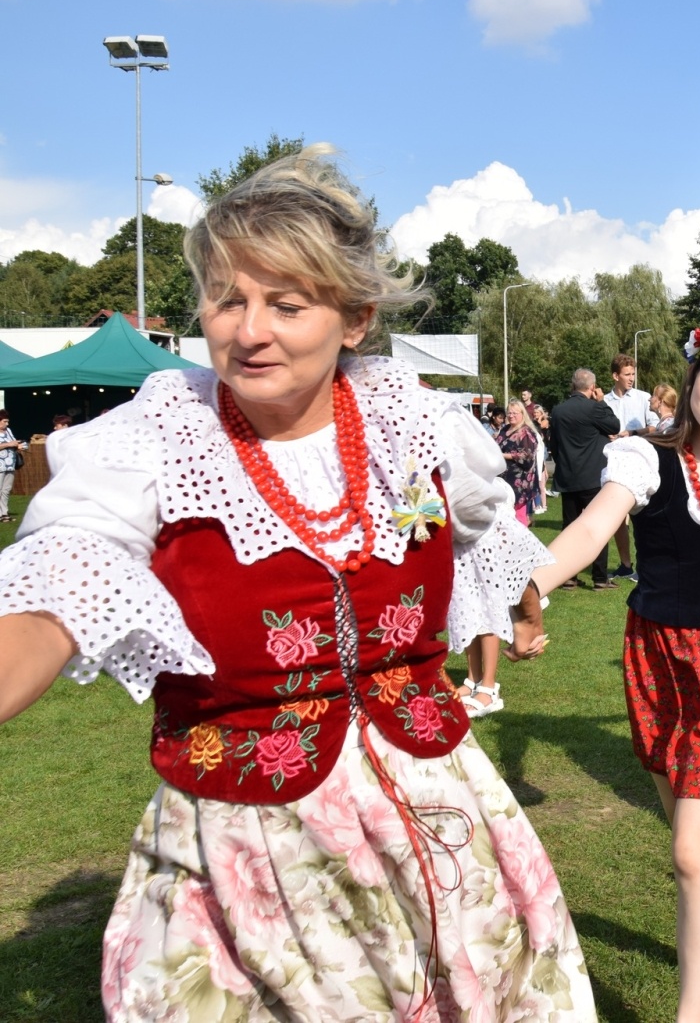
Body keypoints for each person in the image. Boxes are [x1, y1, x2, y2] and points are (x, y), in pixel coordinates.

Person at [0, 145, 594, 1020]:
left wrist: (528, 601)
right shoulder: (156, 439)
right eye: (226, 299)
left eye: (287, 303)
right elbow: (58, 585)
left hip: (438, 811)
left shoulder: (418, 423)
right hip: (249, 839)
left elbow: (482, 527)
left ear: (354, 318)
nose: (248, 330)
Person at [529, 321, 700, 1023]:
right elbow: (589, 531)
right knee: (691, 836)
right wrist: (532, 590)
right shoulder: (644, 459)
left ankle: (690, 1015)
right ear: (691, 378)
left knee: (688, 851)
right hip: (659, 659)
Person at [549, 368, 622, 589]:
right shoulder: (594, 408)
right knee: (597, 527)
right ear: (592, 388)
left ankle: (568, 576)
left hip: (568, 477)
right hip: (591, 477)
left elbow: (554, 445)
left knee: (569, 528)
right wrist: (601, 402)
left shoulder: (558, 410)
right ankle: (599, 578)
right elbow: (614, 425)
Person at [603, 353, 659, 581]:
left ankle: (647, 565)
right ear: (615, 376)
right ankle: (626, 564)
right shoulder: (604, 402)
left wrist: (633, 432)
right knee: (618, 517)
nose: (631, 378)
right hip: (615, 462)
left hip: (641, 463)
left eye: (633, 374)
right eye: (627, 374)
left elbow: (655, 428)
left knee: (645, 518)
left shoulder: (644, 398)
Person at [499, 399, 543, 525]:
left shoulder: (526, 432)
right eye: (509, 413)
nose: (511, 415)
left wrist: (504, 455)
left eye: (514, 413)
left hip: (519, 482)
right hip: (503, 479)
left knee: (518, 516)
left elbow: (527, 456)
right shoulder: (505, 429)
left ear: (522, 414)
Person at [0, 409, 25, 522]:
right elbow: (8, 443)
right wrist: (9, 444)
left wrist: (18, 445)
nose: (7, 424)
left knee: (6, 489)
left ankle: (4, 513)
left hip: (10, 465)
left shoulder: (8, 431)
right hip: (0, 465)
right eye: (5, 421)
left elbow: (14, 441)